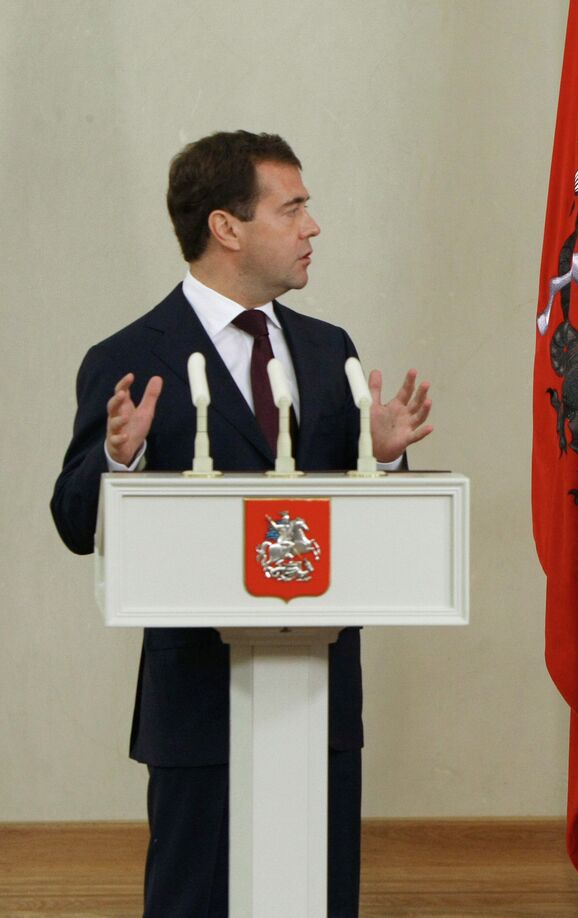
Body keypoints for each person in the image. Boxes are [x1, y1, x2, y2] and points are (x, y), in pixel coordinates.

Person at [50, 131, 433, 916]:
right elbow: (75, 521)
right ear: (227, 227)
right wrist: (119, 459)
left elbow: (365, 534)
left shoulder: (329, 353)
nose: (311, 226)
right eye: (291, 208)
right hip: (198, 710)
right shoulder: (129, 358)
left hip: (320, 706)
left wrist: (385, 459)